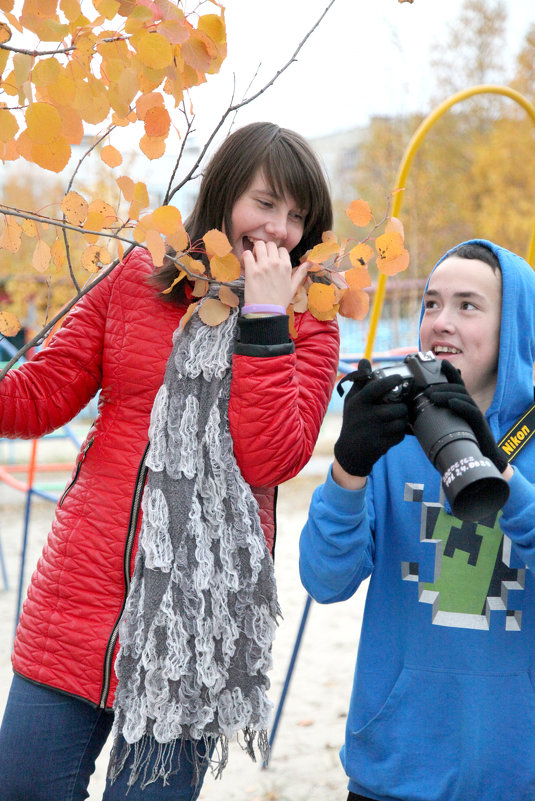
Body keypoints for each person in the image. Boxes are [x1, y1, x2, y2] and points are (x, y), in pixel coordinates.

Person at [0, 121, 340, 801]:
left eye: (297, 215)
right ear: (221, 196)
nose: (278, 229)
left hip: (194, 635)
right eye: (264, 203)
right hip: (76, 606)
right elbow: (35, 399)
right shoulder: (137, 278)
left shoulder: (311, 319)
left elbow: (271, 455)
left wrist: (266, 321)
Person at [299, 239, 535, 801]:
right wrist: (348, 468)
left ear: (514, 328)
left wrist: (497, 467)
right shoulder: (390, 436)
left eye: (468, 305)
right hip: (395, 770)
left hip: (518, 773)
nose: (441, 322)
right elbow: (325, 582)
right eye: (432, 303)